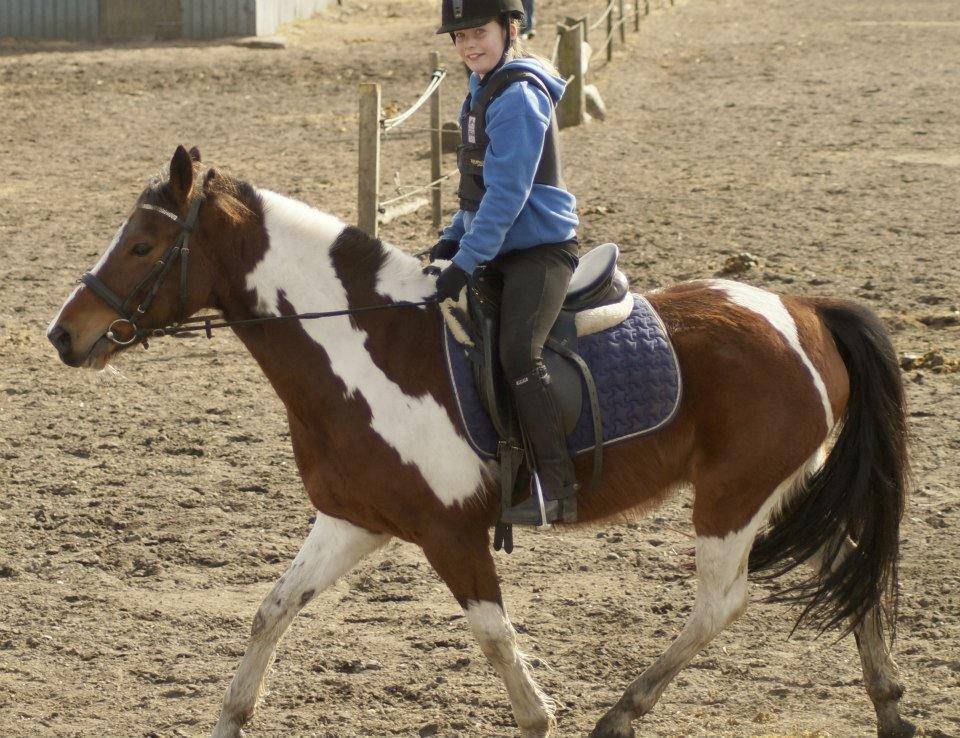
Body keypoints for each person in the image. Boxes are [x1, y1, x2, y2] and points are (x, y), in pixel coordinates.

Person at [430, 0, 580, 525]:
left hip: (538, 252)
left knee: (518, 353)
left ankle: (557, 486)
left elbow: (508, 195)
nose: (470, 44)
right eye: (460, 36)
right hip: (496, 247)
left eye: (480, 32)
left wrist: (466, 259)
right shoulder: (479, 91)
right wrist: (450, 239)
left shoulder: (517, 95)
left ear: (509, 28)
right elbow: (476, 188)